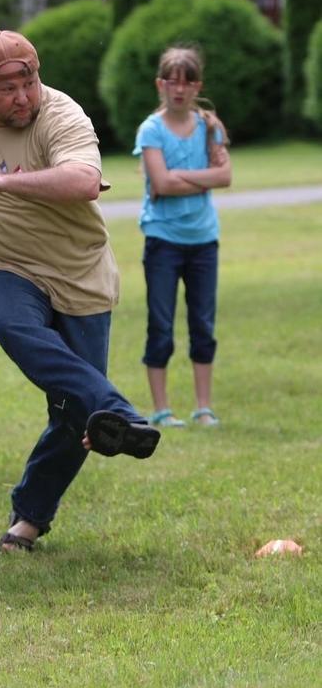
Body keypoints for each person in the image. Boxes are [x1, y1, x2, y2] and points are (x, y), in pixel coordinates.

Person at [0, 29, 161, 553]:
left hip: (79, 271)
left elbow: (83, 182)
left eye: (30, 82)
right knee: (14, 324)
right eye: (8, 89)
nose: (23, 97)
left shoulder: (61, 115)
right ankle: (116, 410)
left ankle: (31, 515)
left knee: (75, 414)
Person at [133, 45, 232, 429]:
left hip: (204, 240)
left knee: (203, 325)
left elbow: (225, 177)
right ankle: (161, 409)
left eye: (187, 82)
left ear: (197, 86)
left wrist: (179, 180)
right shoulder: (151, 130)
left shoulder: (210, 126)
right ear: (160, 84)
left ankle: (203, 407)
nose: (179, 89)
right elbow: (160, 182)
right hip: (163, 240)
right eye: (172, 81)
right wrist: (197, 179)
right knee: (160, 323)